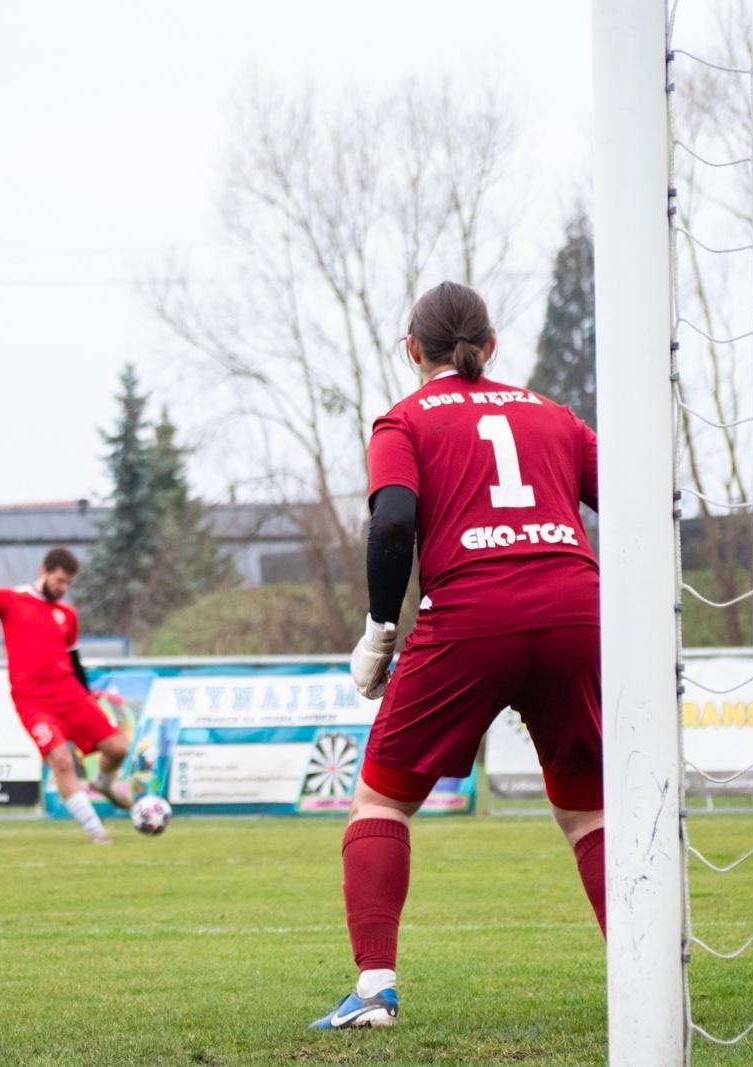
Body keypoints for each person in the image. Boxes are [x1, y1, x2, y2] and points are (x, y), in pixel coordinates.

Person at [311, 281, 604, 1030]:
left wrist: (380, 631)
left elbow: (392, 522)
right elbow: (641, 500)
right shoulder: (556, 417)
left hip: (472, 617)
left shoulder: (404, 419)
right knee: (589, 811)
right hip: (577, 609)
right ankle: (647, 979)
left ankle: (373, 992)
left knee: (381, 801)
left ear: (413, 348)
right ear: (492, 345)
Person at [0, 546, 132, 844]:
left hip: (71, 695)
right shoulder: (10, 599)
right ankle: (96, 830)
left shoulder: (67, 615)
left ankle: (103, 784)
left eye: (68, 583)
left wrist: (87, 695)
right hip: (33, 702)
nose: (63, 588)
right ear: (44, 571)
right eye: (59, 580)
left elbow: (74, 660)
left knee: (118, 748)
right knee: (61, 760)